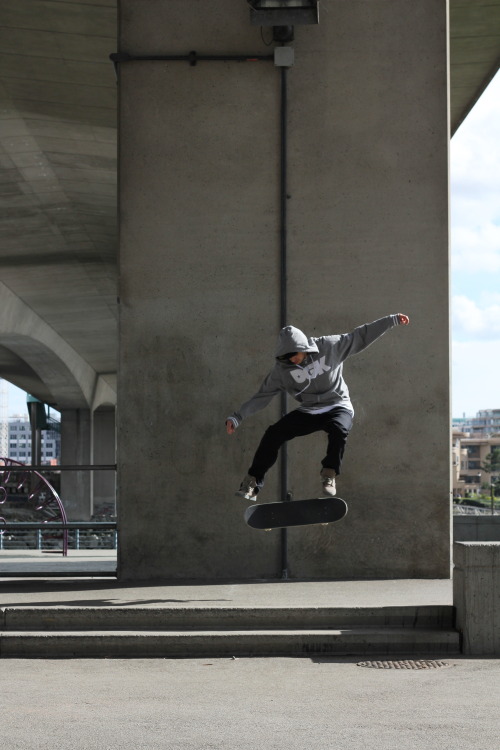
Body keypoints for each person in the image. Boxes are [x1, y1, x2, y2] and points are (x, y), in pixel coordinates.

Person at [226, 313, 410, 500]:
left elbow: (360, 336)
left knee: (339, 430)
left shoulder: (329, 347)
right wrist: (238, 416)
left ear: (303, 347)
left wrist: (391, 320)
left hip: (338, 405)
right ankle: (253, 482)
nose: (292, 360)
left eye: (294, 354)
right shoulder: (281, 371)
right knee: (273, 433)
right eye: (286, 357)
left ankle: (329, 474)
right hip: (309, 410)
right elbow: (262, 396)